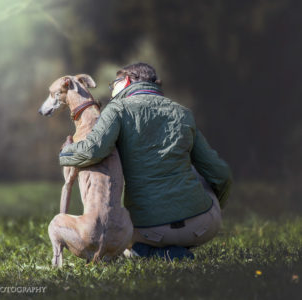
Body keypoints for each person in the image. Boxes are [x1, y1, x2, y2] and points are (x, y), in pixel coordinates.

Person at [59, 62, 232, 260]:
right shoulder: (182, 112)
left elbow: (93, 150)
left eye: (112, 85)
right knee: (199, 171)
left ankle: (149, 251)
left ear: (125, 81)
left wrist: (66, 152)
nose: (112, 90)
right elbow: (221, 174)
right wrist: (214, 207)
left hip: (146, 231)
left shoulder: (118, 108)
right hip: (200, 227)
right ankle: (171, 251)